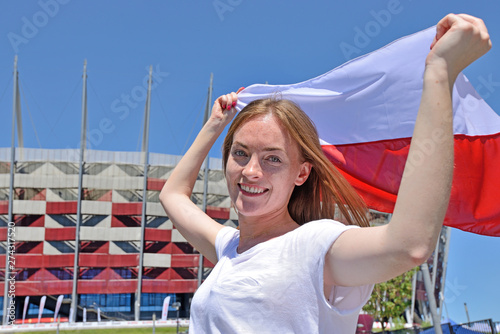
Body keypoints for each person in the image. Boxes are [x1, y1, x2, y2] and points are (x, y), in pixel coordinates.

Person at [160, 13, 491, 333]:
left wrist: (439, 75)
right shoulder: (229, 247)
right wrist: (215, 124)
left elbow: (408, 246)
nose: (250, 171)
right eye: (240, 153)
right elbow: (172, 195)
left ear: (302, 173)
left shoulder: (313, 244)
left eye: (272, 159)